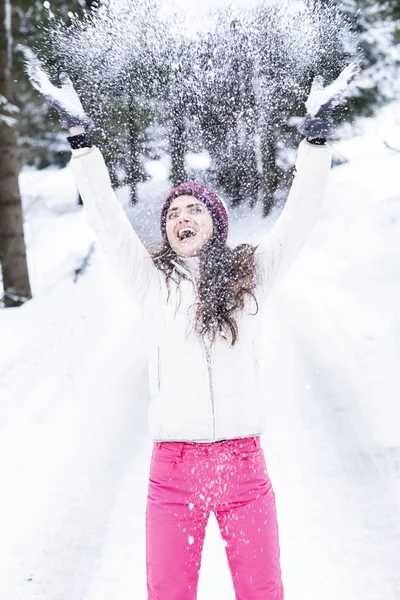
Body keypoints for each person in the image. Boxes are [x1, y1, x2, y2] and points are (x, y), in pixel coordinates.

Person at [24, 49, 357, 600]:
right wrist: (82, 142)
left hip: (244, 469)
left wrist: (316, 139)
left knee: (262, 593)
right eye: (173, 213)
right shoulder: (152, 284)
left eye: (195, 210)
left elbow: (299, 217)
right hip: (173, 474)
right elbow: (107, 220)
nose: (182, 217)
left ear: (216, 224)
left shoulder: (251, 279)